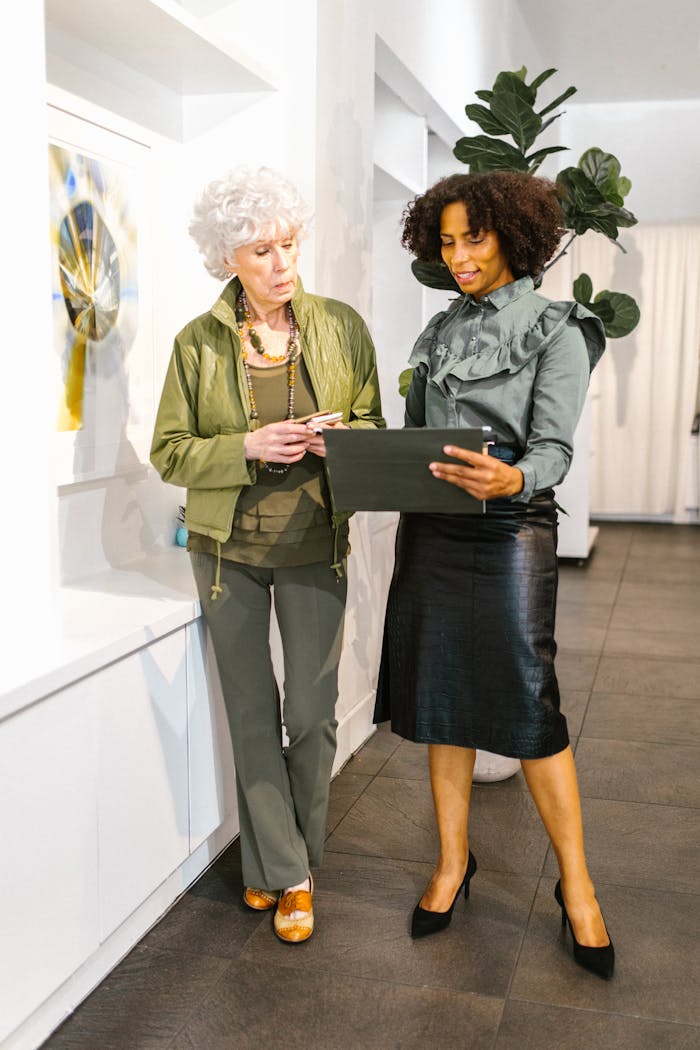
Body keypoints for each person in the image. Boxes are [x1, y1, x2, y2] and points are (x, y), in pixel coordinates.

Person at [374, 171, 614, 979]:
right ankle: (452, 864)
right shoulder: (438, 332)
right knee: (442, 698)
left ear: (514, 234)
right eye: (446, 242)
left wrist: (512, 479)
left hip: (510, 528)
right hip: (434, 531)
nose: (459, 256)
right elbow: (415, 441)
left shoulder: (557, 327)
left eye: (472, 237)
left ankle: (576, 887)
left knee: (525, 696)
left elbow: (553, 450)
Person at [151, 166, 384, 944]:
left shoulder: (341, 327)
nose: (282, 264)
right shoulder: (197, 345)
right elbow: (170, 453)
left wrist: (348, 438)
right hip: (228, 555)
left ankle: (283, 865)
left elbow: (377, 430)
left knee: (312, 715)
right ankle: (290, 877)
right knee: (253, 713)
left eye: (288, 245)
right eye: (261, 251)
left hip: (317, 542)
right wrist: (244, 445)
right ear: (227, 259)